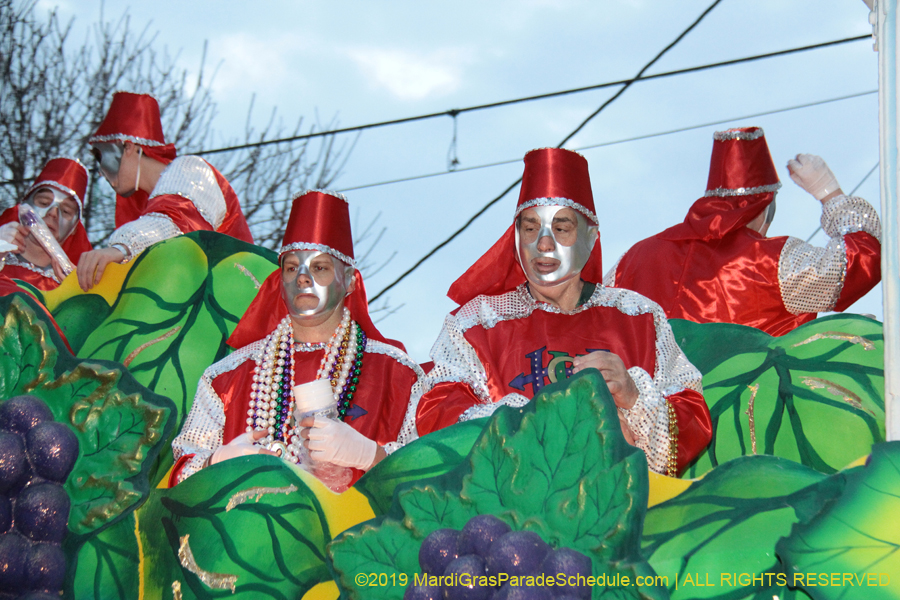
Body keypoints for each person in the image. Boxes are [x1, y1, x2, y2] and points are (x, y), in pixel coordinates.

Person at [407, 148, 712, 477]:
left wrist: (632, 393)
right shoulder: (475, 324)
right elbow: (436, 415)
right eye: (530, 228)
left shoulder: (639, 316)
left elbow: (692, 417)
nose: (543, 244)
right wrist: (527, 423)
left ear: (591, 237)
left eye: (562, 228)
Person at [171, 190, 422, 486]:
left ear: (351, 281)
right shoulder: (226, 378)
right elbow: (179, 477)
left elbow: (430, 473)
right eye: (291, 267)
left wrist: (373, 456)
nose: (302, 277)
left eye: (320, 267)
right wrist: (215, 463)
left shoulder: (398, 374)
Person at [604, 127, 882, 336]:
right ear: (763, 209)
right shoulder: (775, 261)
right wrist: (829, 192)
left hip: (652, 410)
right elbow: (860, 262)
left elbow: (592, 319)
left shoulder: (635, 257)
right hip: (742, 410)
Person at [78, 91, 253, 291]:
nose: (101, 172)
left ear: (129, 147)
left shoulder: (189, 168)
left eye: (102, 157)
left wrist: (122, 248)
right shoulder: (144, 208)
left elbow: (177, 223)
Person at [0, 157, 93, 290]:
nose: (53, 213)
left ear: (74, 228)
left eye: (66, 211)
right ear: (23, 208)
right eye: (44, 202)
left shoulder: (76, 287)